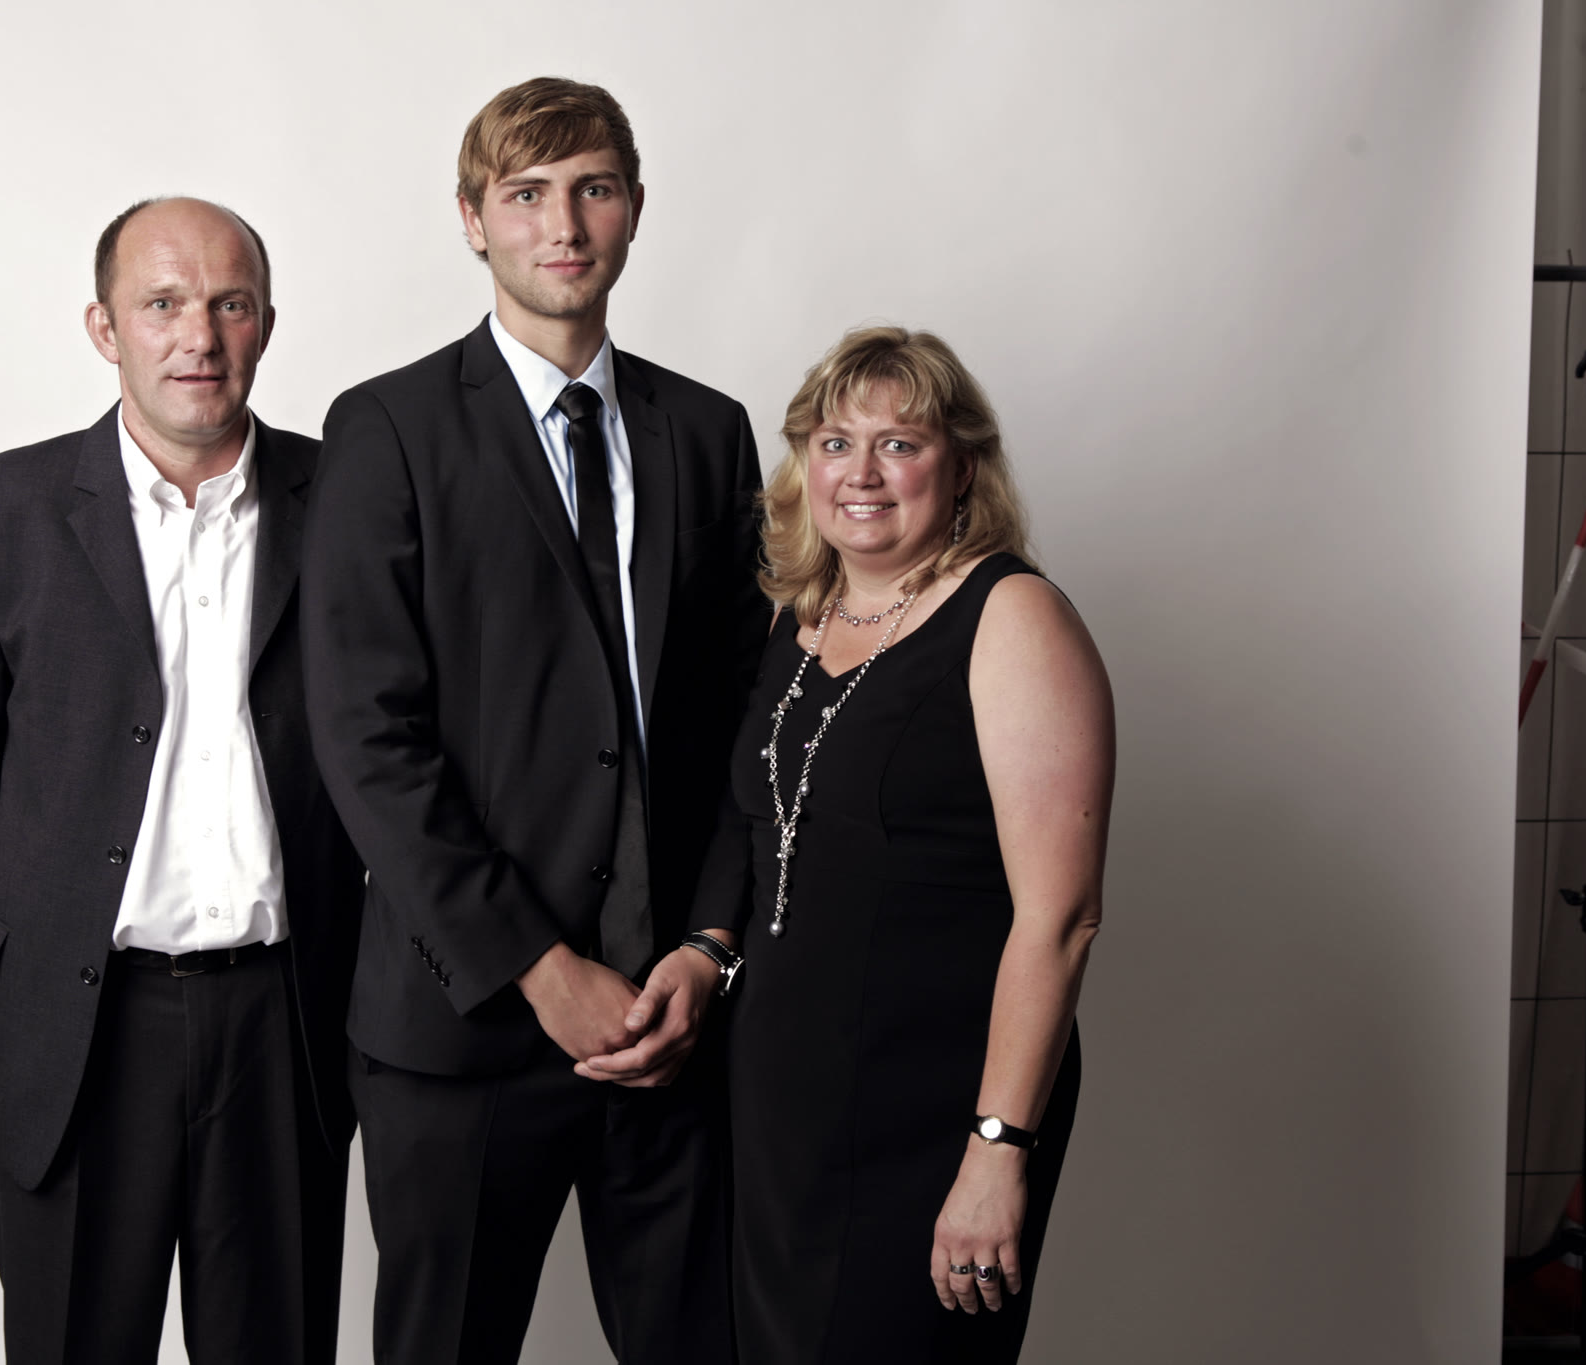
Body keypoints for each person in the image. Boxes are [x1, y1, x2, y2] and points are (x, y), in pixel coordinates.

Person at [301, 77, 765, 1364]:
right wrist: (538, 967)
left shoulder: (707, 433)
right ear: (472, 219)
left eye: (592, 189)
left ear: (632, 210)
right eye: (525, 194)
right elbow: (365, 736)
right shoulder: (387, 429)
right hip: (462, 1032)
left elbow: (748, 722)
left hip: (672, 1026)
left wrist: (709, 945)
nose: (562, 225)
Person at [0, 197, 362, 1364]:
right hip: (79, 1021)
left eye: (228, 304)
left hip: (287, 1016)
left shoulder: (352, 501)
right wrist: (53, 900)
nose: (197, 336)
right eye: (162, 304)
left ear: (265, 326)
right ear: (103, 328)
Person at [712, 326, 1114, 1362]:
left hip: (934, 1114)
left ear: (961, 465)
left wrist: (996, 1152)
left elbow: (1061, 918)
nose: (861, 473)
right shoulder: (796, 620)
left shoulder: (1012, 618)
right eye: (834, 442)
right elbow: (763, 842)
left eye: (899, 443)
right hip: (782, 1111)